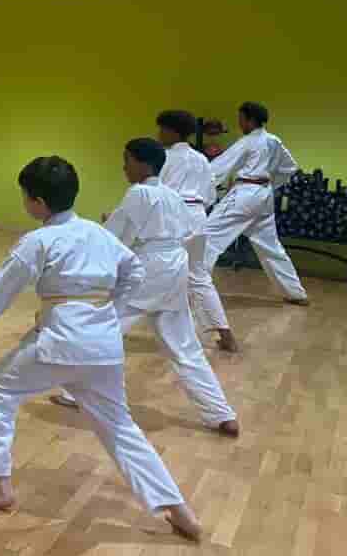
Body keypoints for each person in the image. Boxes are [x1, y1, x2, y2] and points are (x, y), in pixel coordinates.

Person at [0, 155, 201, 541]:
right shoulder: (99, 234)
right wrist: (108, 311)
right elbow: (134, 271)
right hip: (103, 345)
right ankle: (178, 508)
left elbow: (3, 285)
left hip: (61, 342)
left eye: (25, 196)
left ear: (37, 203)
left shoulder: (39, 240)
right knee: (119, 427)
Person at [49, 139, 240, 437]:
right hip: (175, 267)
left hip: (148, 269)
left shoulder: (138, 192)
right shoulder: (172, 196)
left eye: (127, 160)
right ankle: (221, 414)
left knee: (102, 329)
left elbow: (116, 235)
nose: (124, 166)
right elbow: (182, 232)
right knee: (185, 347)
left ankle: (76, 393)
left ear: (143, 163)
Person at [195, 102, 309, 352]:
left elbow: (219, 167)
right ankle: (295, 292)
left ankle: (195, 286)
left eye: (240, 119)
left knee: (207, 234)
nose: (239, 123)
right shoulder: (273, 141)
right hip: (264, 195)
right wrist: (270, 184)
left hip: (245, 194)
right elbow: (289, 168)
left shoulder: (247, 141)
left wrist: (198, 185)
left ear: (248, 120)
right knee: (271, 246)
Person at [155, 110, 218, 341]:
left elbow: (155, 192)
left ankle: (113, 328)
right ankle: (224, 332)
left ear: (172, 131)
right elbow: (211, 196)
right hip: (199, 216)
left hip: (173, 217)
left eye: (161, 129)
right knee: (198, 275)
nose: (159, 134)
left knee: (149, 271)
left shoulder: (163, 157)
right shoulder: (201, 159)